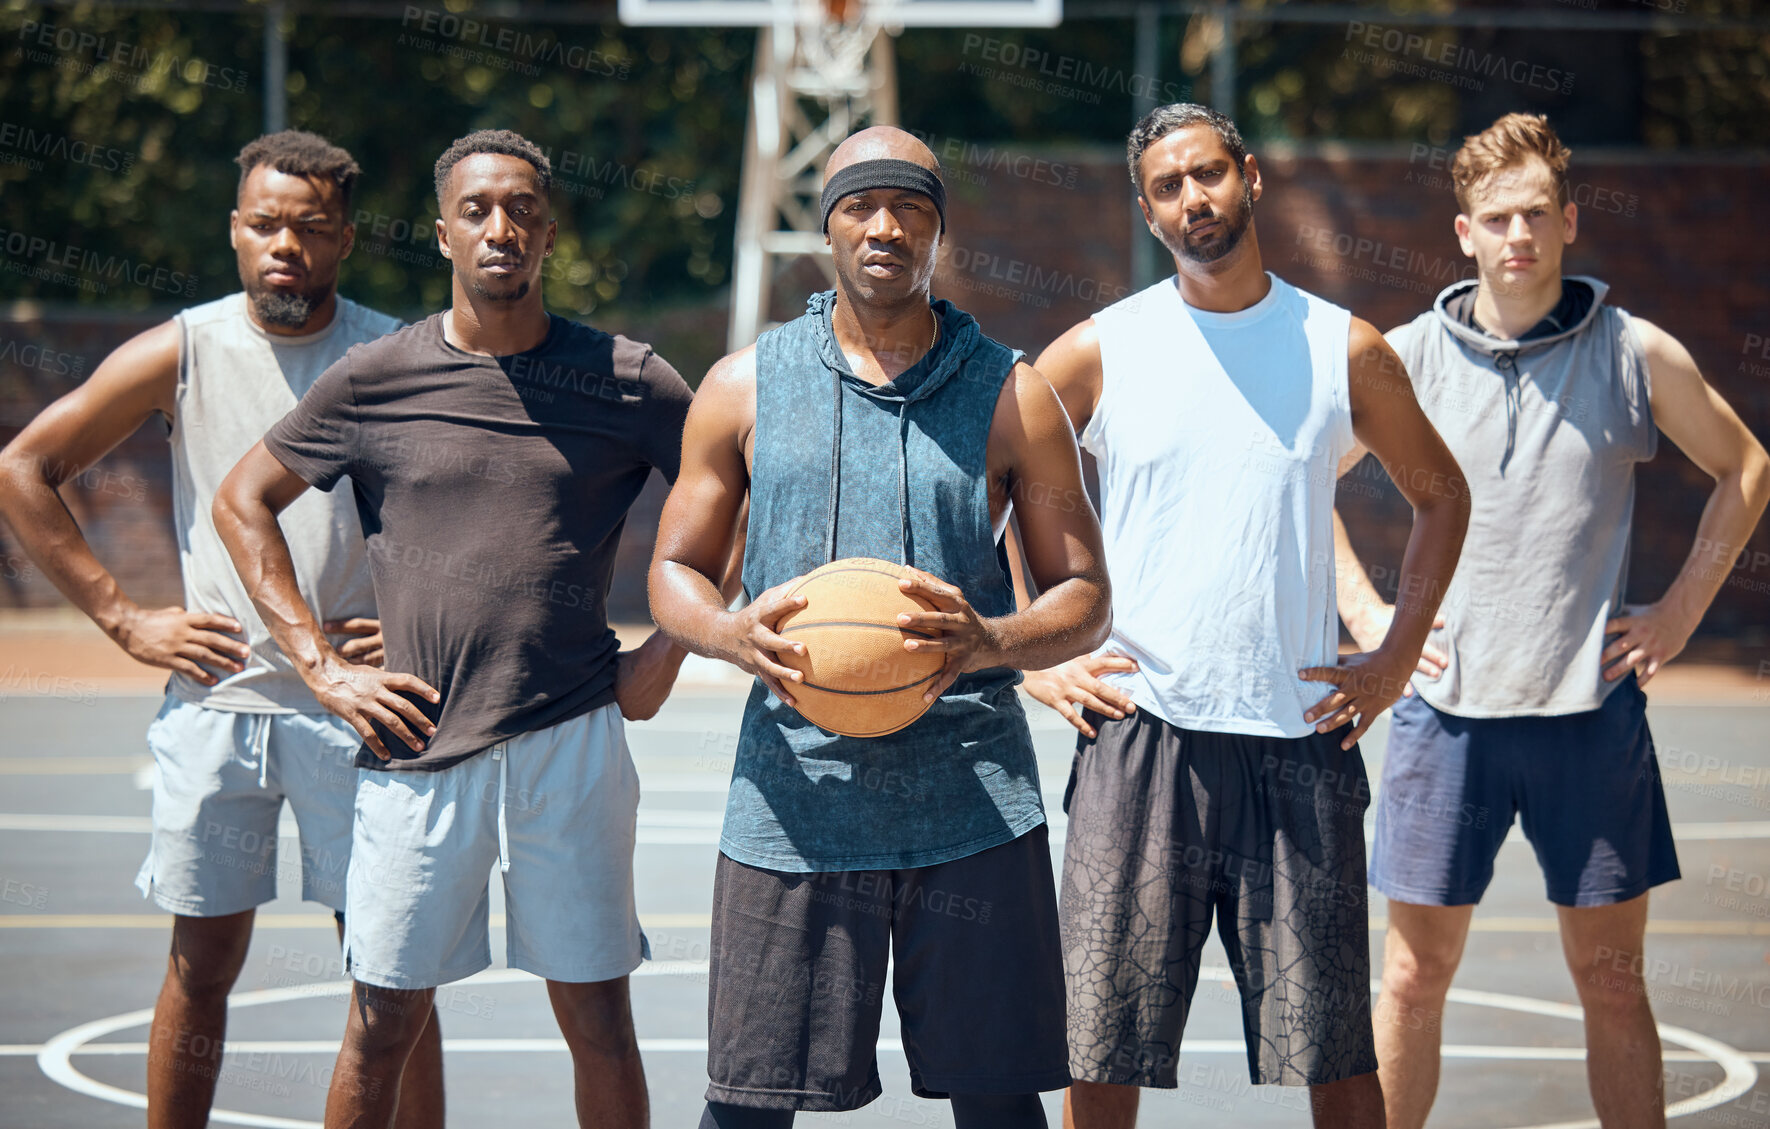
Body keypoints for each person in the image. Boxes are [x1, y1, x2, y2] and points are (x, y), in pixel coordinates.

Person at [213, 129, 699, 1129]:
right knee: (380, 1022)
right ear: (443, 233)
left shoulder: (626, 377)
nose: (500, 227)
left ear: (549, 233)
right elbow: (241, 499)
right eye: (477, 209)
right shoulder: (374, 377)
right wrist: (319, 668)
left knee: (600, 1019)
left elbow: (728, 488)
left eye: (521, 208)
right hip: (415, 742)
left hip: (573, 736)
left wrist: (668, 646)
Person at [648, 125, 1113, 1128]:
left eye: (911, 207)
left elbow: (1084, 594)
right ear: (827, 226)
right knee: (748, 1104)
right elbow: (674, 571)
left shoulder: (1011, 393)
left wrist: (992, 643)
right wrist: (727, 635)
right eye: (860, 204)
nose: (885, 225)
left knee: (999, 1103)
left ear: (939, 229)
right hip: (792, 796)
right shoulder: (744, 384)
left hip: (972, 796)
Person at [1022, 103, 1471, 1129]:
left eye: (1209, 174)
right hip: (1140, 738)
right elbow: (998, 484)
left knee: (1336, 1053)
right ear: (1146, 209)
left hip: (1295, 741)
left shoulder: (1339, 345)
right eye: (1169, 186)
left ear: (1251, 178)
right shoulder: (1102, 349)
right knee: (1101, 1050)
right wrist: (1032, 658)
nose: (1195, 198)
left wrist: (1396, 653)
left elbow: (1442, 494)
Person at [0, 130, 442, 1129]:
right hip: (219, 703)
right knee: (199, 968)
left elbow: (462, 511)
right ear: (236, 232)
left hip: (361, 713)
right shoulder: (184, 349)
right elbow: (22, 468)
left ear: (346, 241)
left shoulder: (391, 357)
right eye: (267, 224)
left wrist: (413, 623)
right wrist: (122, 615)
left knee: (393, 976)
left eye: (311, 228)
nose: (286, 244)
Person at [1337, 112, 1770, 1129]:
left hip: (1592, 717)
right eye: (1498, 217)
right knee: (1408, 978)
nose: (1518, 234)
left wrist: (1678, 613)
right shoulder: (1408, 357)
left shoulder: (1632, 352)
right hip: (1447, 718)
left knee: (1613, 982)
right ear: (1465, 232)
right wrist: (1368, 615)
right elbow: (1303, 482)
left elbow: (1747, 470)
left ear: (1571, 220)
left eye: (1537, 212)